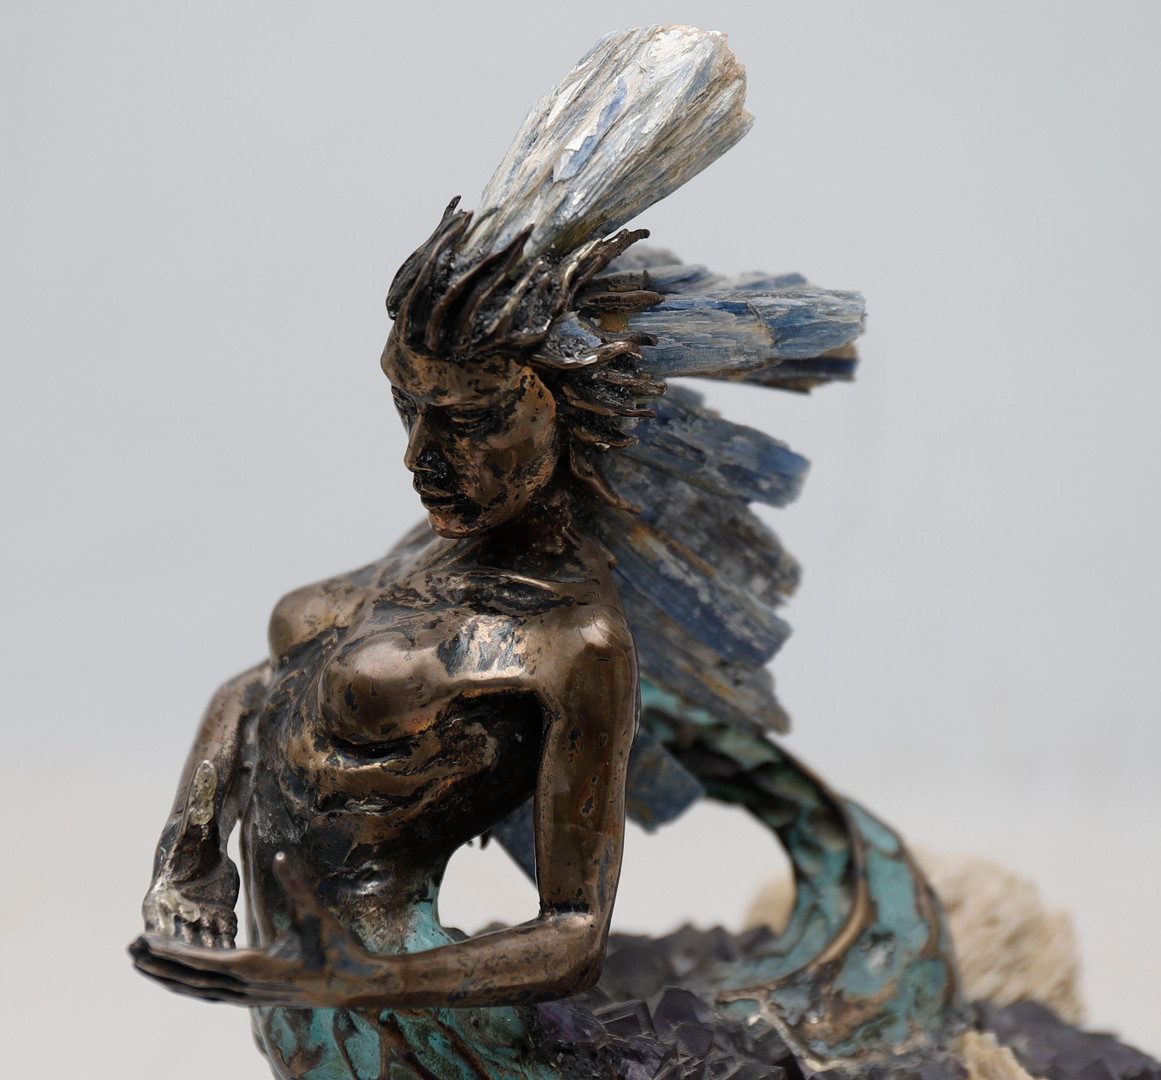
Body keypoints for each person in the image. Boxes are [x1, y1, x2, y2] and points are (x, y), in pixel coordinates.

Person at [132, 27, 958, 1078]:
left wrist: (357, 981)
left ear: (570, 418)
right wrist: (189, 859)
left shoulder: (573, 641)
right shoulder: (429, 556)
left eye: (469, 420)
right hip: (310, 1004)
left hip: (411, 1033)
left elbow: (572, 936)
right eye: (407, 408)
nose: (418, 456)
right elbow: (258, 688)